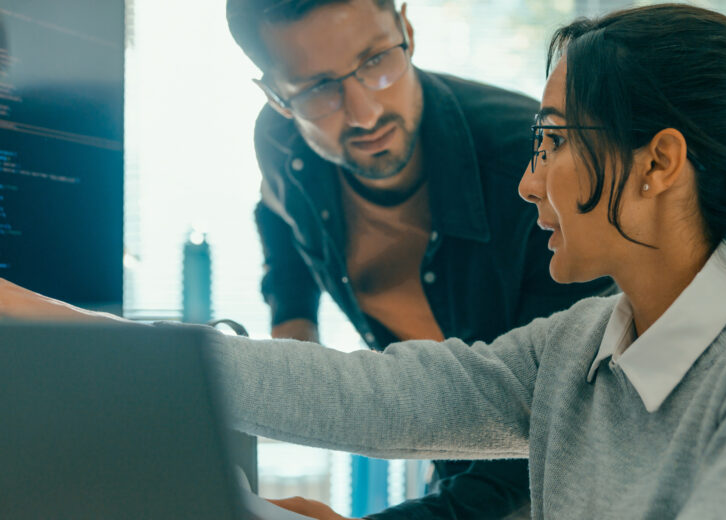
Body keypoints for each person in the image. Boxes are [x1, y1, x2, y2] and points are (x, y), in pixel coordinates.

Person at [3, 3, 726, 519]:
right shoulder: (580, 345)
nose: (526, 178)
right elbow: (367, 396)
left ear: (656, 164)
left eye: (550, 144)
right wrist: (40, 318)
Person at [226, 0, 615, 518]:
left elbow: (548, 430)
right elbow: (276, 210)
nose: (364, 112)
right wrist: (292, 317)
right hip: (441, 439)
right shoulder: (280, 140)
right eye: (318, 88)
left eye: (375, 61)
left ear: (406, 28)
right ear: (276, 97)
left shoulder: (533, 169)